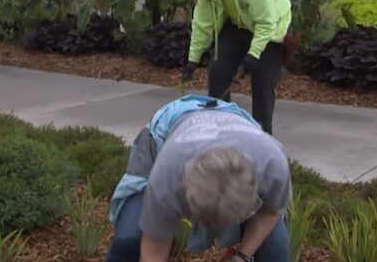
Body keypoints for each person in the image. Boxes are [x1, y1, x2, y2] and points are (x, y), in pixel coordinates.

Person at [106, 94, 291, 262]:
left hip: (235, 123)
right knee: (128, 241)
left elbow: (269, 213)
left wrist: (242, 256)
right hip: (166, 132)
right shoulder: (168, 175)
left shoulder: (273, 165)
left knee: (275, 251)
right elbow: (153, 253)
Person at [181, 0, 292, 134]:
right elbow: (202, 22)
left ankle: (263, 133)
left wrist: (253, 55)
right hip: (238, 25)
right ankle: (220, 128)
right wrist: (193, 58)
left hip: (271, 26)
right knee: (218, 71)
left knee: (262, 78)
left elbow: (266, 22)